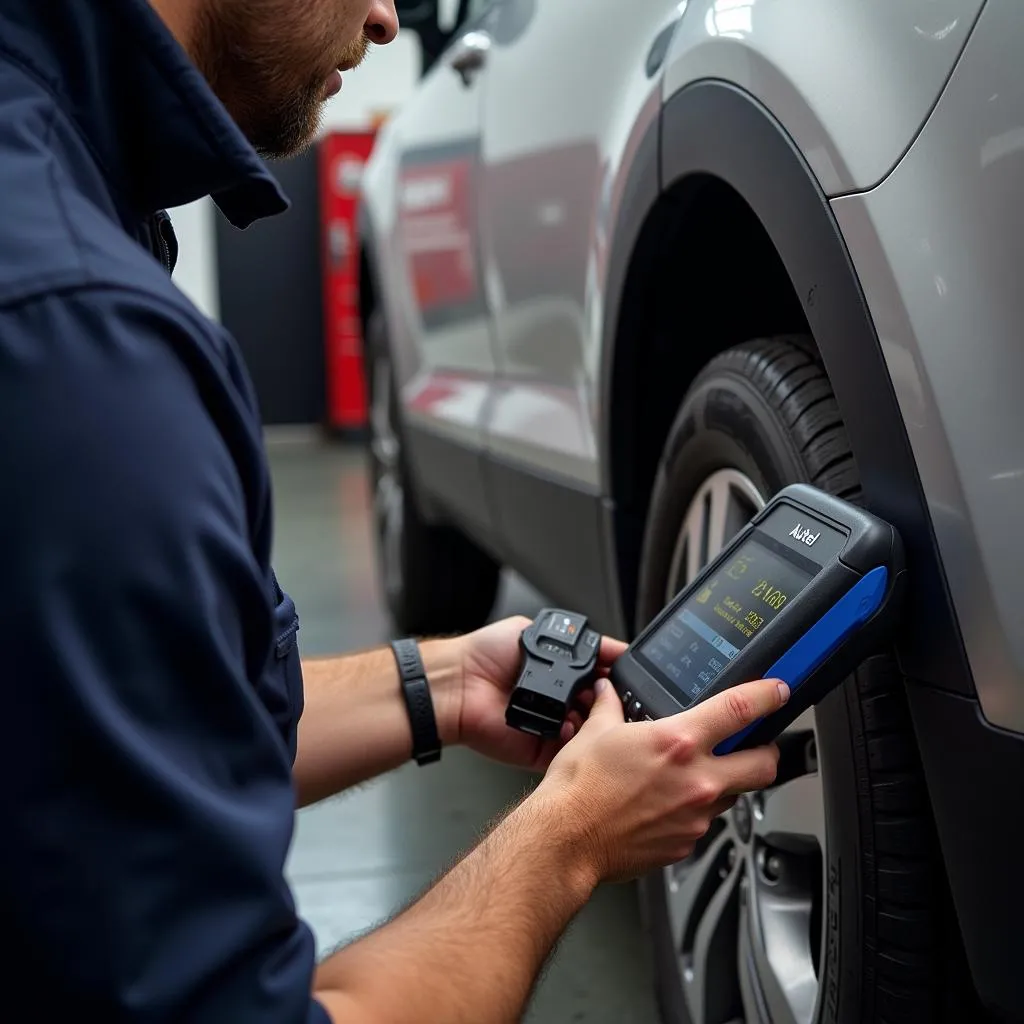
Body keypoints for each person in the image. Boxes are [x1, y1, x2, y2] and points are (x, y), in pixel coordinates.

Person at [0, 0, 786, 1019]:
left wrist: (447, 682)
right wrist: (570, 837)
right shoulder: (82, 354)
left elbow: (138, 732)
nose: (383, 18)